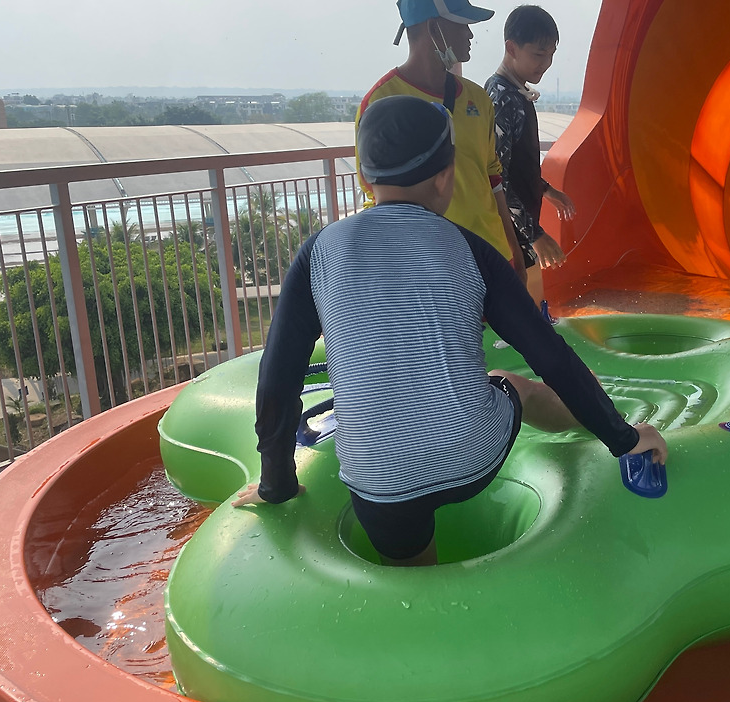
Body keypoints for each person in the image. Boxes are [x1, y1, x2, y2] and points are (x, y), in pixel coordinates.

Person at [238, 96, 668, 567]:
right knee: (508, 382)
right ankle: (583, 420)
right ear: (446, 177)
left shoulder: (318, 253)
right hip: (469, 454)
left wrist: (276, 484)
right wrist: (624, 438)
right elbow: (550, 355)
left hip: (378, 479)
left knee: (417, 576)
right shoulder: (469, 250)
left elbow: (278, 378)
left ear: (364, 176)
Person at [355, 0, 527, 281]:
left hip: (492, 253)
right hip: (429, 266)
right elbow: (374, 193)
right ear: (434, 28)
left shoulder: (478, 98)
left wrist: (514, 252)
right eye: (463, 25)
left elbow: (492, 177)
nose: (470, 34)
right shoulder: (381, 102)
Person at [486, 5, 576, 301]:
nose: (546, 63)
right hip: (510, 236)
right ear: (511, 48)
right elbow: (496, 179)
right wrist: (534, 235)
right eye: (538, 54)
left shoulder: (515, 92)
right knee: (528, 314)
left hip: (519, 231)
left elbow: (516, 165)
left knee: (535, 310)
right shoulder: (502, 98)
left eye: (551, 54)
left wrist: (545, 189)